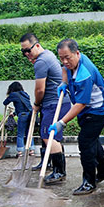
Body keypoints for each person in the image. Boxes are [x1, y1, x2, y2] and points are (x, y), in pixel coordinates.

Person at [48, 39, 104, 195]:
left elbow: (80, 104)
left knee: (85, 142)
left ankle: (89, 182)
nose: (64, 61)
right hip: (88, 109)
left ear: (77, 53)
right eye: (61, 58)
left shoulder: (85, 73)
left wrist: (61, 122)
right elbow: (64, 68)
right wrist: (64, 82)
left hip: (98, 110)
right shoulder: (72, 61)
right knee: (93, 141)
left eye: (67, 57)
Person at [19, 33, 71, 185]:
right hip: (56, 103)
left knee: (49, 136)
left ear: (36, 45)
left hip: (53, 103)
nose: (27, 54)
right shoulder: (47, 55)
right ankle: (52, 166)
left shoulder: (41, 61)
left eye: (28, 50)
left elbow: (40, 89)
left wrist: (36, 104)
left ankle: (59, 171)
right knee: (50, 135)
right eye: (23, 52)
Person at [3, 82, 35, 158]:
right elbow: (23, 106)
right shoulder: (25, 94)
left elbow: (5, 103)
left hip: (23, 115)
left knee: (20, 134)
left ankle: (20, 152)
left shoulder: (13, 95)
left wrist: (8, 96)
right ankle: (32, 151)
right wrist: (14, 114)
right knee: (29, 133)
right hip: (31, 114)